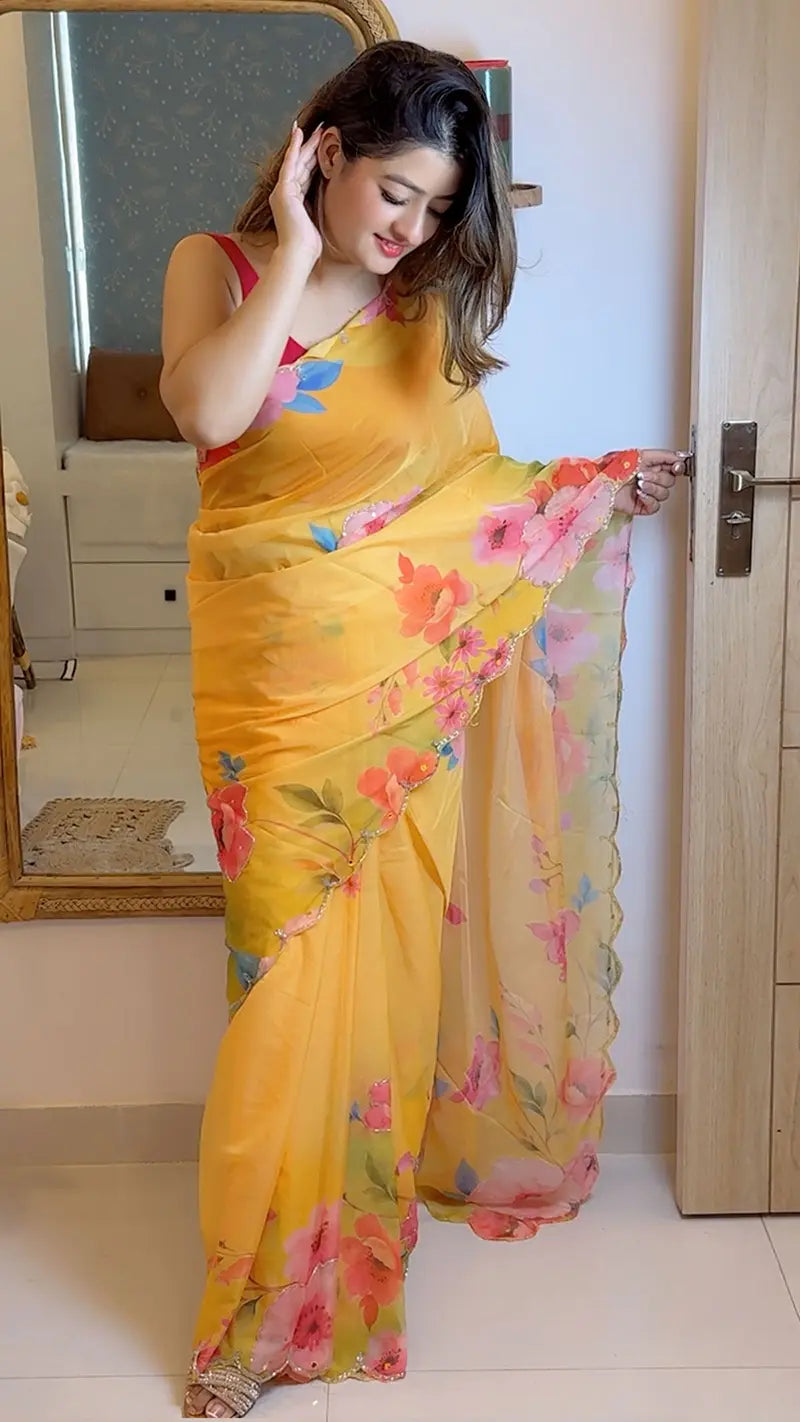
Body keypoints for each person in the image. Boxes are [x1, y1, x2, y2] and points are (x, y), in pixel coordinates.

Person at [160, 39, 682, 1420]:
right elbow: (206, 412)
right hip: (272, 708)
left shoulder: (424, 311)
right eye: (395, 192)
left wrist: (590, 491)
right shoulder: (215, 265)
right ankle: (252, 1311)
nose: (409, 230)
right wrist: (292, 248)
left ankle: (338, 1276)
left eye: (437, 209)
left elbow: (470, 493)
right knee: (279, 996)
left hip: (401, 702)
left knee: (385, 978)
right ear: (324, 151)